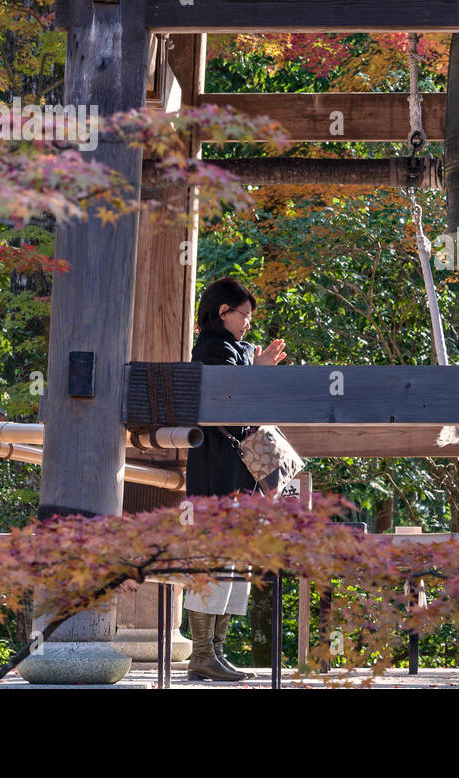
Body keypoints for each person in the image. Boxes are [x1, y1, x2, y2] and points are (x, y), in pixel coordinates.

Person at [184, 276, 286, 682]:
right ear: (223, 312)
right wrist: (255, 370)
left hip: (232, 469)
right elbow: (230, 404)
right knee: (215, 559)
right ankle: (202, 654)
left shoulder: (234, 351)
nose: (248, 322)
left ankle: (215, 653)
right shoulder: (212, 348)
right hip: (216, 469)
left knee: (234, 561)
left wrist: (253, 367)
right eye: (243, 314)